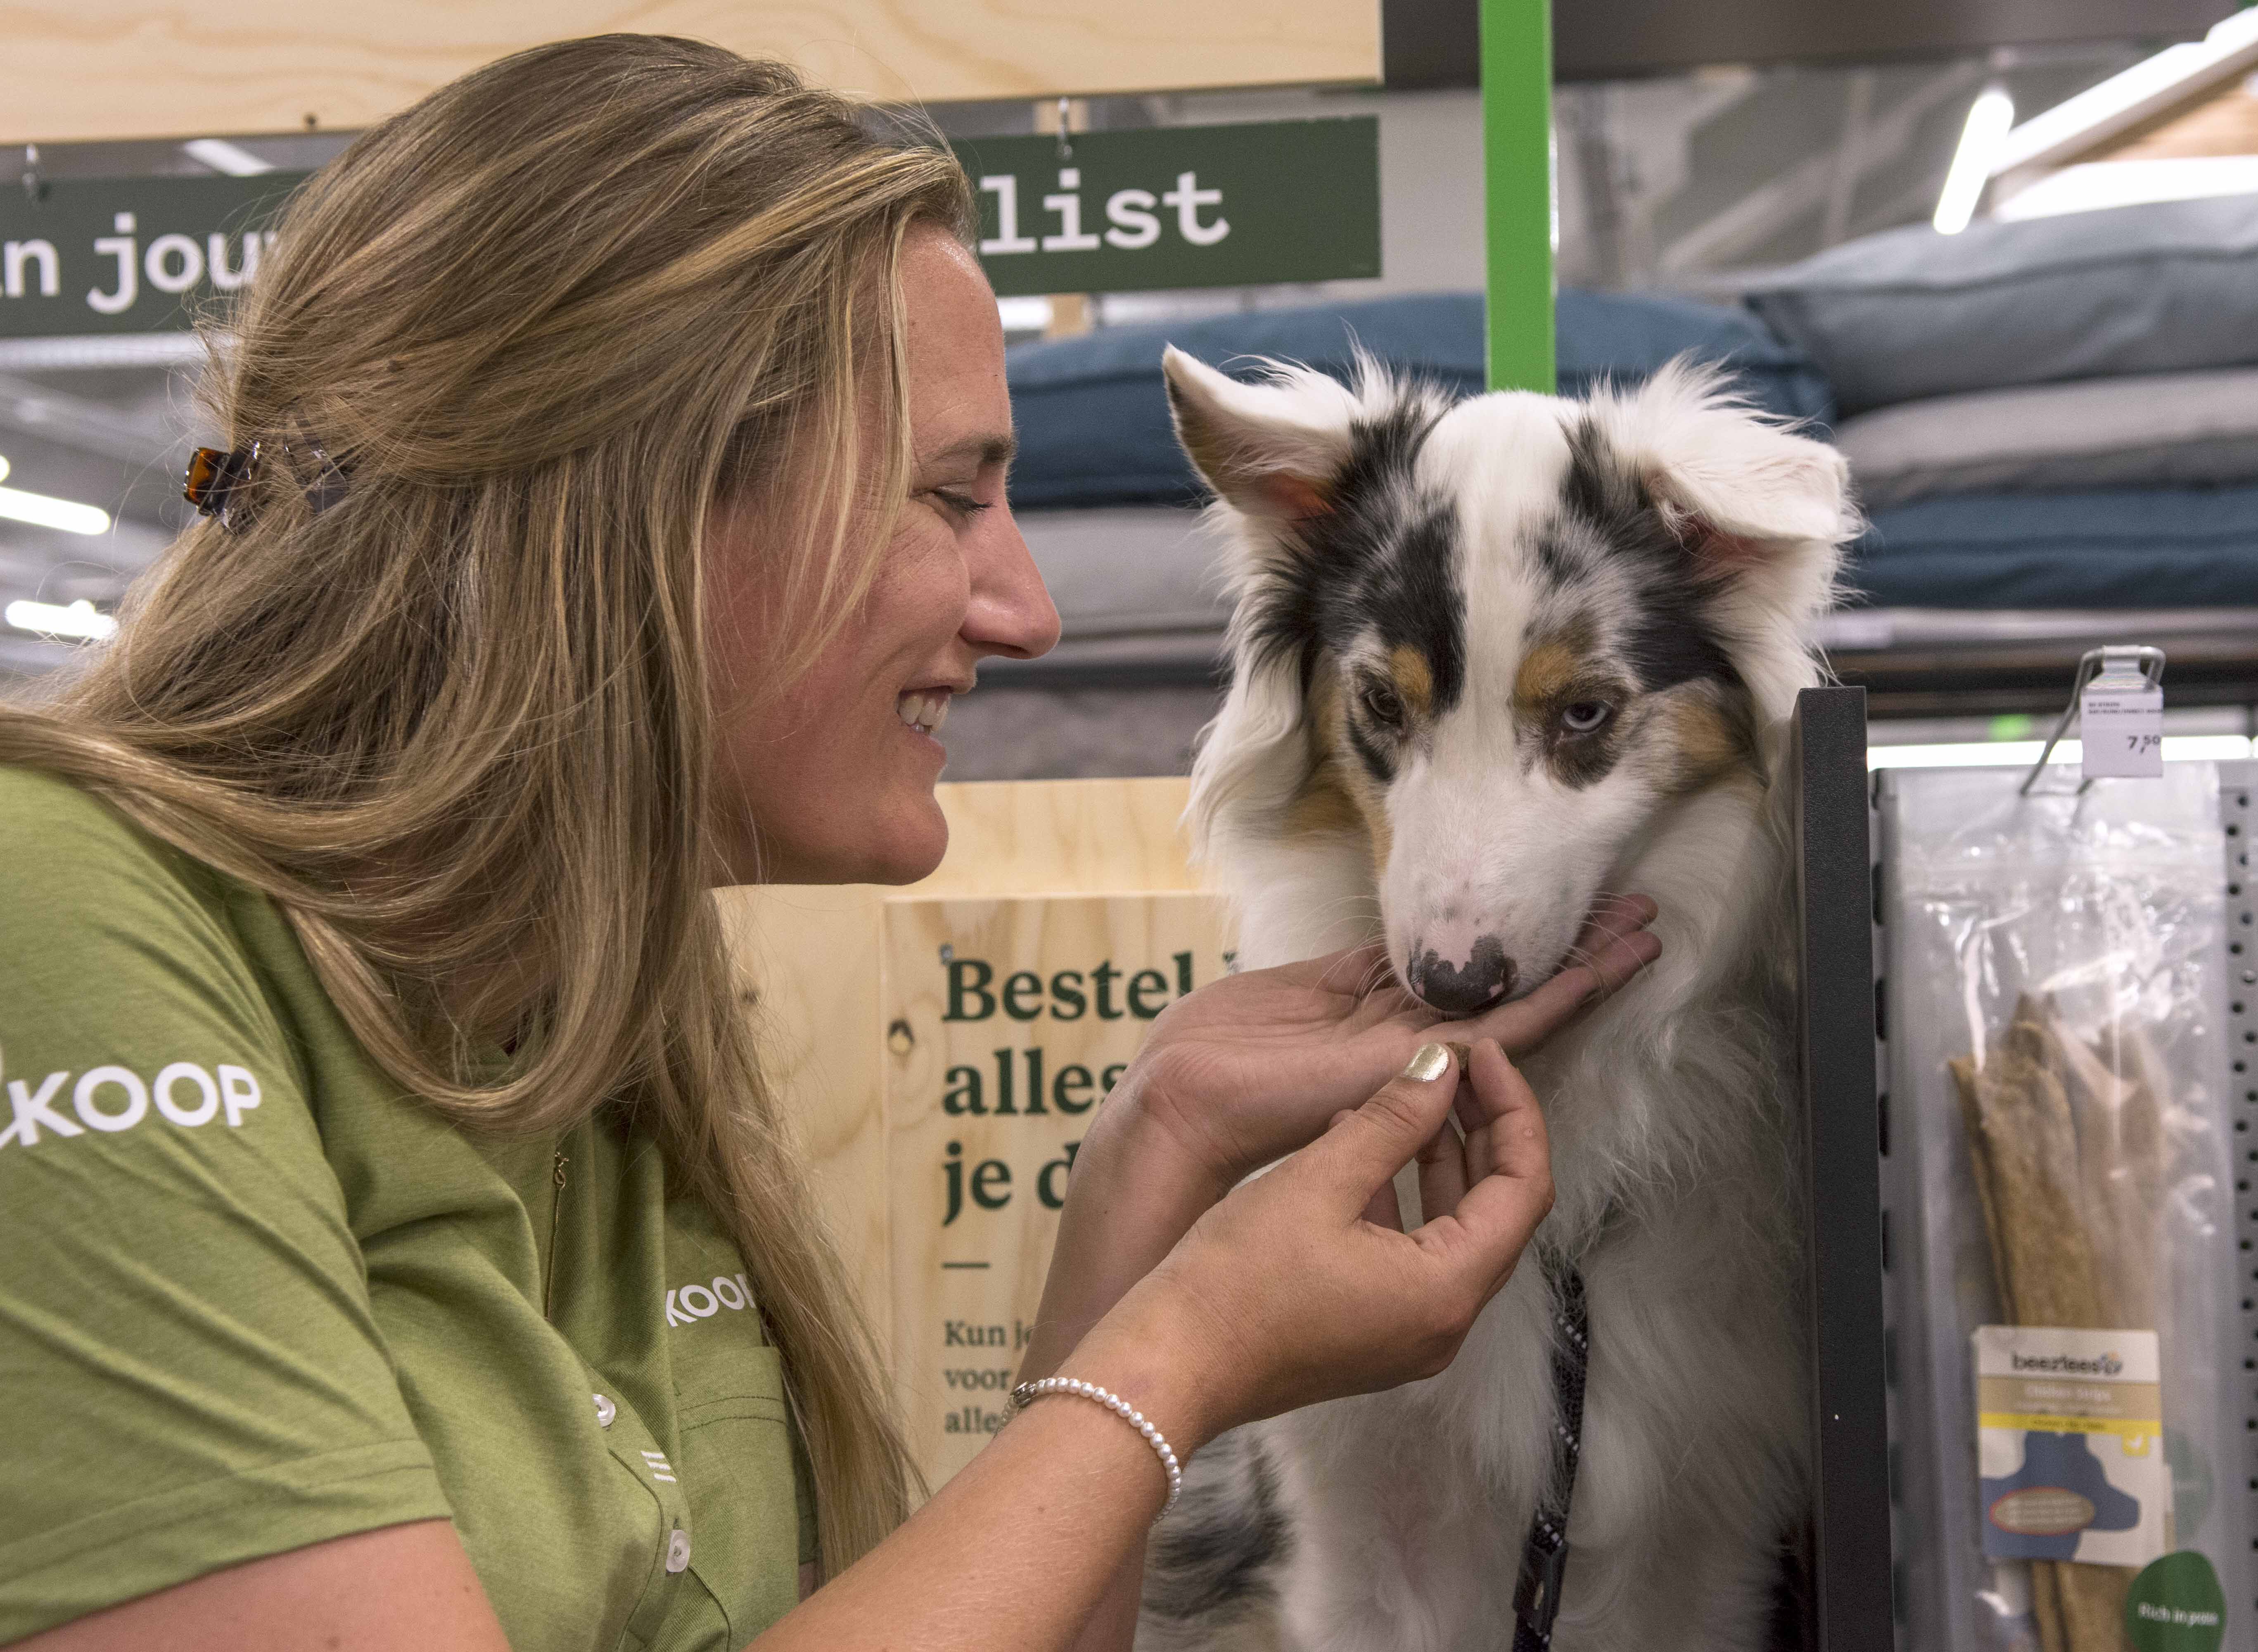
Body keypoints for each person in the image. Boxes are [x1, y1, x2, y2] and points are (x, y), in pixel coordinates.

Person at [0, 35, 1660, 1652]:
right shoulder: (52, 922)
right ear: (635, 503)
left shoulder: (600, 1016)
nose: (1026, 610)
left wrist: (1154, 1159)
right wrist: (1181, 1354)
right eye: (950, 497)